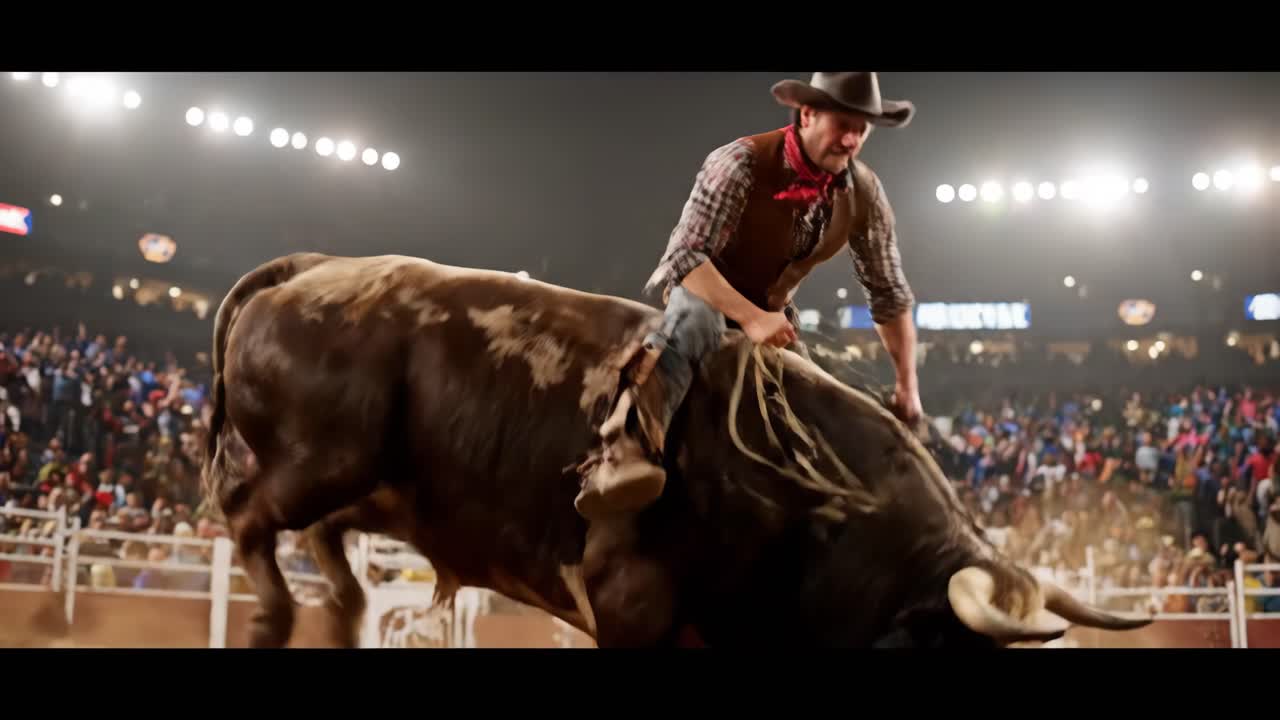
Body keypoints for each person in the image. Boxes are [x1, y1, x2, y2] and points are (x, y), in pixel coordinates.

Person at [577, 72, 921, 519]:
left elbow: (888, 292)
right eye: (844, 124)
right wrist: (753, 318)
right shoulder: (740, 161)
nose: (853, 139)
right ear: (808, 114)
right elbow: (683, 258)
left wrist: (907, 386)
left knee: (806, 400)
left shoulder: (864, 193)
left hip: (775, 314)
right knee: (695, 324)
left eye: (862, 129)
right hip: (706, 291)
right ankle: (623, 453)